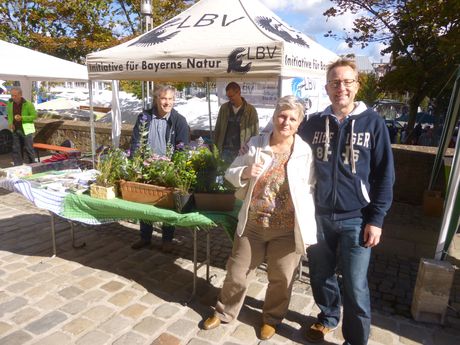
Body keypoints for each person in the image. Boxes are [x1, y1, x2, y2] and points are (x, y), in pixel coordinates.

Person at [202, 95, 317, 340]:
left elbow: (309, 188)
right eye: (282, 116)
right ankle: (224, 312)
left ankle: (271, 319)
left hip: (286, 229)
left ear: (298, 124)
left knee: (281, 278)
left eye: (292, 118)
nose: (286, 122)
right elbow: (230, 173)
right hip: (253, 224)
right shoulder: (255, 143)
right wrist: (244, 171)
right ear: (275, 117)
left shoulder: (304, 151)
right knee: (237, 271)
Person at [299, 59, 394, 345]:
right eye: (335, 82)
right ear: (327, 88)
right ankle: (328, 317)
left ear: (356, 85)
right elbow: (286, 144)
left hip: (357, 218)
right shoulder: (314, 122)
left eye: (347, 82)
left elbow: (385, 175)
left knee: (355, 285)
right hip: (319, 215)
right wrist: (256, 145)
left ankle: (355, 340)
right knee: (320, 274)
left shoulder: (373, 123)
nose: (341, 87)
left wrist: (376, 220)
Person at [129, 85, 190, 253]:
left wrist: (176, 168)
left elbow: (183, 148)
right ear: (156, 99)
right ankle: (145, 237)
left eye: (170, 99)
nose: (167, 102)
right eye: (164, 98)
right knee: (145, 202)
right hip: (146, 167)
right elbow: (135, 142)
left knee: (168, 205)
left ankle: (167, 239)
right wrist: (135, 164)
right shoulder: (145, 117)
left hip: (169, 168)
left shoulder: (179, 121)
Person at [213, 82, 259, 163]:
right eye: (228, 96)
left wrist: (253, 150)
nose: (229, 99)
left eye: (231, 96)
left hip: (242, 151)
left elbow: (255, 132)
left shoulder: (250, 110)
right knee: (224, 173)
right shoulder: (224, 108)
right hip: (225, 150)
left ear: (239, 93)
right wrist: (215, 147)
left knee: (239, 174)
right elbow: (218, 128)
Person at [7, 87, 37, 165]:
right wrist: (10, 123)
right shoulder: (10, 103)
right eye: (12, 95)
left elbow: (34, 116)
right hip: (15, 129)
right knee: (16, 149)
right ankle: (18, 167)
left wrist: (22, 118)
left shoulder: (28, 104)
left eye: (15, 95)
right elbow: (9, 115)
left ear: (20, 95)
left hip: (27, 130)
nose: (13, 97)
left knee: (29, 149)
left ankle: (32, 165)